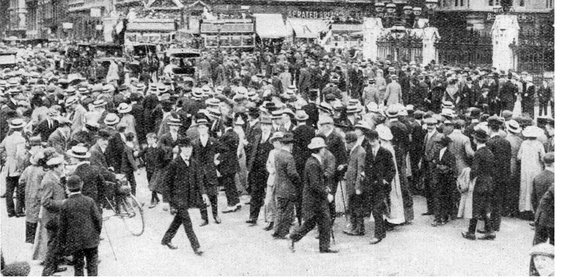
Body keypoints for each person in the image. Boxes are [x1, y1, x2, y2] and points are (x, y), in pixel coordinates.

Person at [289, 137, 337, 253]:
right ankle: (323, 246)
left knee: (316, 222)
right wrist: (326, 195)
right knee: (321, 221)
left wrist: (324, 186)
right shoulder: (313, 164)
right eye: (323, 148)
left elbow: (317, 182)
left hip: (314, 198)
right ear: (320, 150)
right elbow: (315, 185)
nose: (324, 150)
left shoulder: (313, 161)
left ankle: (296, 238)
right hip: (316, 199)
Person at [160, 138, 207, 256]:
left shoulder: (194, 162)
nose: (188, 150)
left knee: (178, 220)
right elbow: (166, 183)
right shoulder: (174, 163)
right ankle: (196, 247)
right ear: (181, 148)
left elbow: (199, 180)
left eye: (190, 148)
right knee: (187, 222)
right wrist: (165, 201)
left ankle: (166, 239)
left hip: (188, 198)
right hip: (177, 198)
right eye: (185, 148)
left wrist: (203, 193)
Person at [57, 175, 102, 276]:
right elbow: (98, 219)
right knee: (92, 267)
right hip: (91, 240)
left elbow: (62, 226)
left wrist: (62, 243)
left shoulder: (65, 204)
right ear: (81, 185)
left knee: (78, 268)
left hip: (75, 242)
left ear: (67, 188)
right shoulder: (89, 201)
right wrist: (96, 233)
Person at [362, 129, 395, 245]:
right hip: (371, 185)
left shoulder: (385, 152)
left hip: (382, 186)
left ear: (378, 139)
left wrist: (386, 180)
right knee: (374, 209)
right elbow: (366, 166)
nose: (371, 142)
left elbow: (392, 169)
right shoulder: (368, 152)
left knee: (377, 210)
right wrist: (364, 175)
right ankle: (382, 232)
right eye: (369, 140)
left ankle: (378, 235)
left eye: (373, 140)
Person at [461, 129, 496, 241]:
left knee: (475, 207)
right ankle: (490, 231)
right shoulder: (489, 152)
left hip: (480, 182)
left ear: (476, 140)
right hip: (489, 181)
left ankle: (471, 232)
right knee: (485, 207)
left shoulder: (478, 153)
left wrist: (469, 176)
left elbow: (474, 170)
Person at [40, 155, 68, 276]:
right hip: (52, 218)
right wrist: (62, 203)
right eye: (61, 165)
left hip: (56, 217)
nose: (63, 167)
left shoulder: (56, 177)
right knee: (52, 245)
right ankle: (47, 271)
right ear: (55, 167)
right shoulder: (49, 180)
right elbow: (45, 201)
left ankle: (54, 266)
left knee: (57, 243)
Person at [193, 117, 221, 226]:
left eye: (203, 127)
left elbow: (225, 151)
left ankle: (215, 215)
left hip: (211, 171)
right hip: (199, 172)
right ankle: (204, 218)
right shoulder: (194, 142)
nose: (201, 129)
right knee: (201, 195)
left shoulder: (213, 141)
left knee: (213, 194)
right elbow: (191, 156)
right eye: (199, 128)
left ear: (208, 129)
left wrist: (217, 161)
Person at [246, 116, 274, 225]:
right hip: (257, 170)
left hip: (268, 171)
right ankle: (253, 217)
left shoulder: (273, 139)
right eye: (263, 125)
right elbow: (253, 152)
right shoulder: (257, 137)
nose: (265, 127)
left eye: (267, 125)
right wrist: (250, 168)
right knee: (255, 193)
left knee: (270, 195)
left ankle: (270, 219)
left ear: (271, 126)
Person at [272, 132, 300, 239]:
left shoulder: (277, 154)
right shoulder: (289, 157)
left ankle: (276, 230)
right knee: (287, 211)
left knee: (280, 210)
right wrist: (298, 181)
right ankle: (283, 232)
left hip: (279, 186)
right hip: (288, 188)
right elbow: (292, 173)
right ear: (290, 144)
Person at [0, 118, 27, 217]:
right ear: (21, 128)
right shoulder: (21, 139)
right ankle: (19, 210)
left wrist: (5, 157)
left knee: (9, 189)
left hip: (8, 164)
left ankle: (10, 211)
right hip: (16, 165)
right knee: (20, 188)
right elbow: (20, 155)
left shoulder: (8, 138)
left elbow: (1, 147)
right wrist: (21, 167)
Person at [518, 126, 545, 219]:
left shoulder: (524, 143)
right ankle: (534, 210)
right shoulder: (539, 144)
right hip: (536, 168)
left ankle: (524, 209)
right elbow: (543, 157)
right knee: (534, 189)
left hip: (525, 169)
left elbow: (519, 156)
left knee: (525, 188)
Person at [342, 131, 366, 236]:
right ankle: (353, 226)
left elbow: (361, 170)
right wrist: (345, 166)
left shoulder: (360, 152)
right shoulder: (353, 150)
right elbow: (352, 165)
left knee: (357, 207)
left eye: (347, 143)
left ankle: (359, 229)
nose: (345, 145)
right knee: (352, 206)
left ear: (352, 142)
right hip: (351, 184)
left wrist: (358, 187)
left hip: (355, 185)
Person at [433, 135, 456, 226]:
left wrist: (444, 168)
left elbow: (453, 168)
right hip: (438, 178)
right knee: (438, 198)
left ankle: (444, 216)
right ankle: (438, 217)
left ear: (443, 144)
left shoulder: (450, 154)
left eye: (439, 143)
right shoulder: (436, 153)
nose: (437, 145)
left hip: (446, 179)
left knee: (445, 198)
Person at [531, 152, 554, 240]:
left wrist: (537, 211)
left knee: (538, 242)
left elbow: (533, 198)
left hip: (540, 215)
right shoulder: (555, 179)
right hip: (552, 217)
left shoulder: (537, 177)